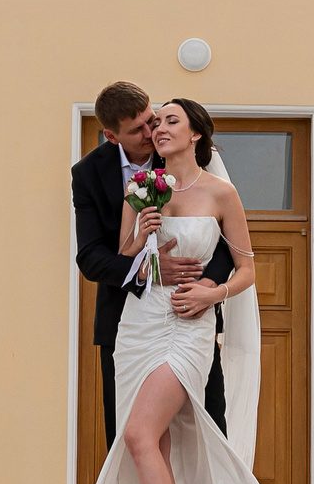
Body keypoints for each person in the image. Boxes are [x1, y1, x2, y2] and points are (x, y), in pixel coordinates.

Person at [67, 97, 292, 484]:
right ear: (114, 135)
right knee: (156, 444)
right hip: (137, 325)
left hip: (188, 325)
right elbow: (117, 253)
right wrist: (143, 237)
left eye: (169, 121)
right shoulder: (140, 187)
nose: (157, 130)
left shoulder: (222, 193)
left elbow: (247, 268)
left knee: (144, 435)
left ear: (196, 134)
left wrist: (212, 294)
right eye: (152, 123)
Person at [71, 81, 229, 447]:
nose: (152, 132)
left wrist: (208, 285)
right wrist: (149, 273)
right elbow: (91, 256)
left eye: (152, 120)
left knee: (208, 430)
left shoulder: (179, 150)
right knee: (131, 436)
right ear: (111, 136)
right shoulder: (88, 174)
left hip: (191, 318)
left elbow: (223, 238)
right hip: (125, 324)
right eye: (138, 129)